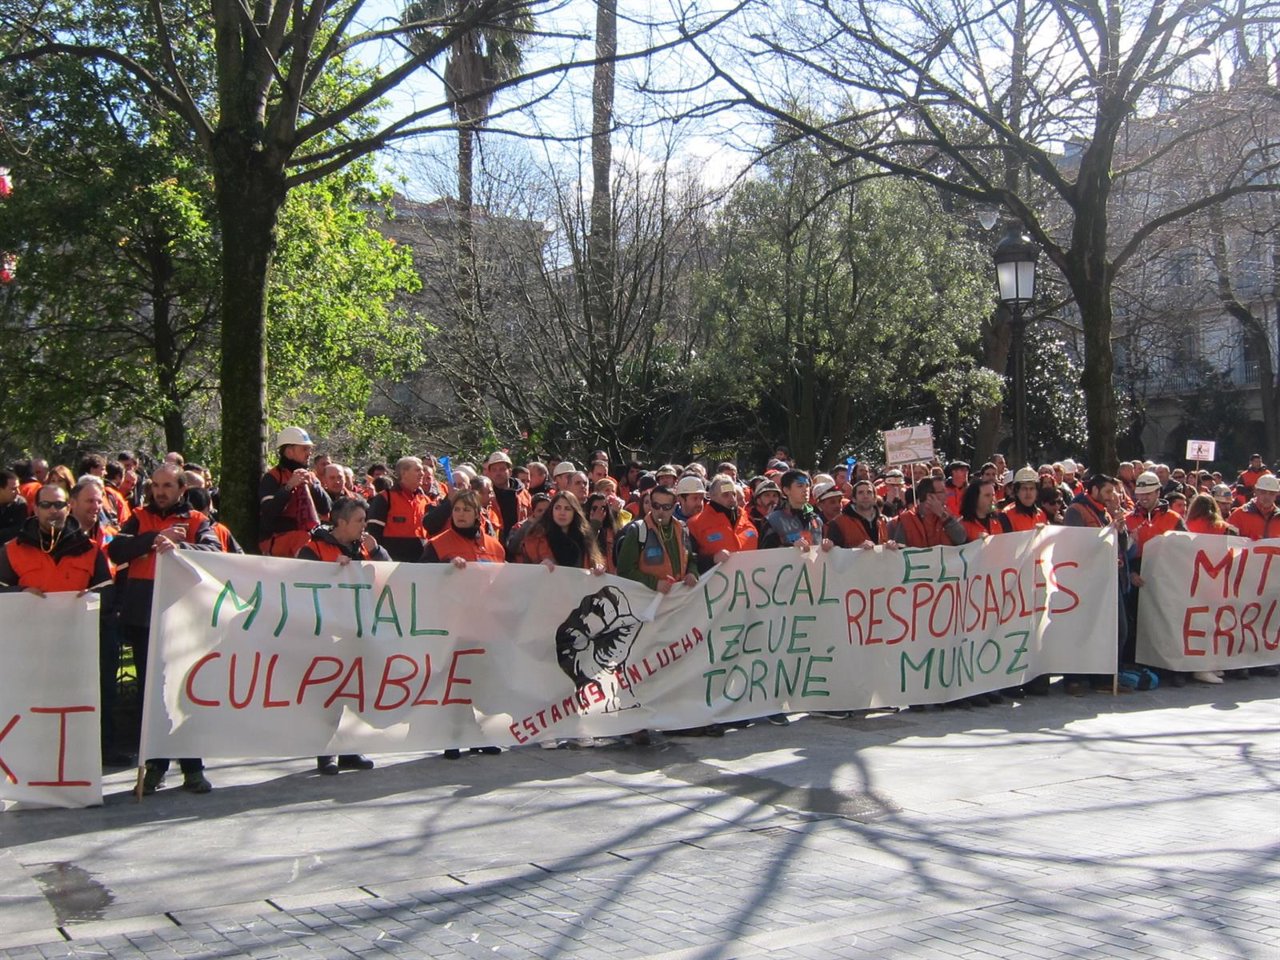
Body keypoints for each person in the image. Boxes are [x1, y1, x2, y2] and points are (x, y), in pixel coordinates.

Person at [108, 464, 223, 794]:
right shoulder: (138, 517)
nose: (160, 491)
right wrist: (152, 540)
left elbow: (214, 552)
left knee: (184, 693)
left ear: (182, 489)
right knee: (152, 695)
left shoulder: (197, 521)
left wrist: (181, 549)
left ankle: (192, 768)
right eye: (156, 485)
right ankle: (155, 767)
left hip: (183, 619)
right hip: (142, 618)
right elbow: (116, 549)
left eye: (168, 485)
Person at [294, 497, 382, 775]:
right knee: (329, 694)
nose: (364, 526)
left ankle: (350, 749)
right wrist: (331, 572)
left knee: (354, 693)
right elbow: (301, 584)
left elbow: (389, 575)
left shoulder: (364, 548)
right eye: (359, 521)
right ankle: (326, 751)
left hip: (358, 631)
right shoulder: (314, 549)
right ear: (341, 522)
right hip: (327, 634)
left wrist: (378, 551)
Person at [420, 490, 505, 759]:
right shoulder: (437, 545)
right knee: (456, 683)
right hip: (452, 627)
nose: (460, 514)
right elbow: (421, 580)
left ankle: (474, 733)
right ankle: (454, 735)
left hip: (484, 627)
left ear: (478, 514)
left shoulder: (495, 547)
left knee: (479, 683)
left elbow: (505, 585)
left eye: (466, 510)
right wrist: (444, 568)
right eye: (456, 509)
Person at [259, 426, 331, 557]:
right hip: (278, 539)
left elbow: (327, 508)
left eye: (309, 449)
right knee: (304, 540)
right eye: (304, 449)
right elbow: (269, 514)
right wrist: (288, 487)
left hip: (307, 537)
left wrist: (314, 488)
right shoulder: (273, 477)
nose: (309, 453)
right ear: (289, 451)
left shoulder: (311, 477)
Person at [515, 491, 605, 571]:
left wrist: (598, 568)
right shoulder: (535, 538)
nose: (562, 513)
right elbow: (525, 570)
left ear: (574, 512)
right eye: (557, 508)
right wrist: (539, 567)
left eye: (567, 509)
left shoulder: (585, 538)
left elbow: (593, 564)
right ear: (551, 510)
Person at [687, 474, 759, 571]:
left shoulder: (749, 520)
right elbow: (687, 562)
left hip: (750, 578)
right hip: (716, 579)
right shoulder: (695, 524)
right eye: (725, 495)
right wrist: (712, 559)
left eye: (733, 494)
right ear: (712, 497)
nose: (732, 499)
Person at [366, 456, 433, 561]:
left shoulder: (426, 500)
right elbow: (374, 533)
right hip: (391, 563)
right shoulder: (385, 498)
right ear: (404, 473)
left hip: (420, 563)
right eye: (417, 470)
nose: (422, 474)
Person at [889, 476, 966, 547]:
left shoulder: (948, 515)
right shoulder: (907, 519)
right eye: (942, 491)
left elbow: (961, 539)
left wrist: (943, 515)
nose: (947, 494)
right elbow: (900, 549)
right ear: (930, 496)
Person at [761, 470, 828, 550]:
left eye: (807, 486)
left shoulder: (817, 520)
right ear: (786, 490)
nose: (805, 489)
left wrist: (829, 545)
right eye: (800, 486)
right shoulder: (773, 520)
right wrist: (792, 547)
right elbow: (766, 553)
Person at [826, 479, 897, 549]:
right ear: (854, 499)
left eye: (869, 492)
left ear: (875, 498)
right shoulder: (839, 523)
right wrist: (857, 550)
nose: (865, 496)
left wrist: (890, 546)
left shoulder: (883, 521)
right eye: (860, 492)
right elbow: (833, 553)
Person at [483, 451, 530, 546]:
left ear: (510, 472)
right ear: (489, 473)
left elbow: (531, 519)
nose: (498, 473)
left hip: (520, 547)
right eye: (494, 470)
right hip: (495, 546)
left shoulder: (523, 494)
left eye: (502, 469)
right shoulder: (486, 495)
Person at [1002, 467, 1048, 531]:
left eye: (1031, 489)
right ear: (1017, 491)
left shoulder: (1041, 514)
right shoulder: (1006, 515)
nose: (1028, 493)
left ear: (1037, 492)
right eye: (1024, 489)